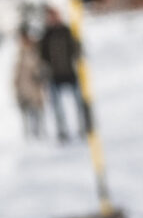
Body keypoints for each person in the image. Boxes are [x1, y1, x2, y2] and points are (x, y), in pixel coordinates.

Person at [37, 9, 90, 143]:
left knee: (79, 103)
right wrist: (43, 72)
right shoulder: (45, 36)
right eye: (49, 17)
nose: (52, 19)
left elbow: (76, 48)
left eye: (54, 16)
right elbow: (42, 56)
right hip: (54, 76)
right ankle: (62, 131)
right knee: (57, 107)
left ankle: (84, 127)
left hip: (70, 73)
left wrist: (78, 54)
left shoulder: (67, 31)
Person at [12, 21, 47, 140]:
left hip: (34, 87)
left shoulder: (35, 50)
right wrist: (15, 83)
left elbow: (39, 68)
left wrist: (38, 78)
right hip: (22, 87)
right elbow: (17, 69)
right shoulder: (20, 51)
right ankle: (29, 135)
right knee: (26, 113)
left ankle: (39, 134)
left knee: (37, 111)